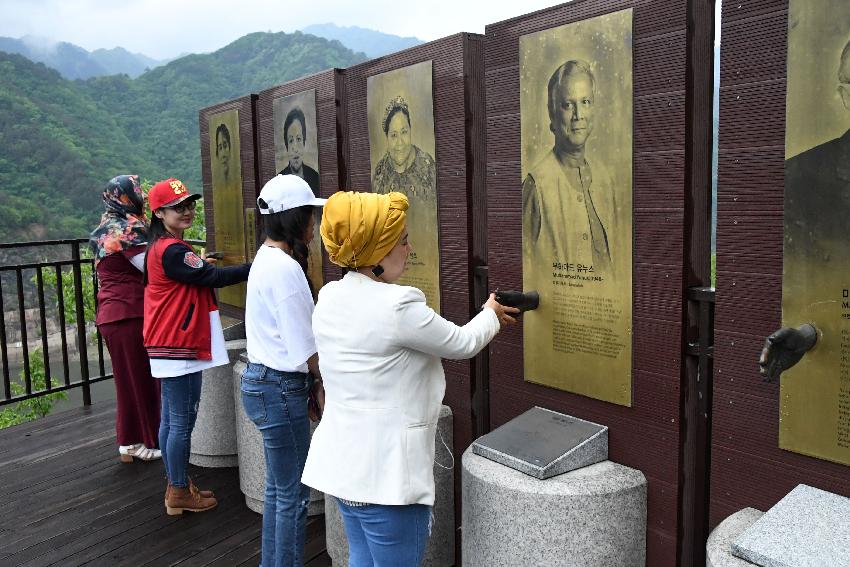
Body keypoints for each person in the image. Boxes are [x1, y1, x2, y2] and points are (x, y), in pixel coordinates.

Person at [301, 190, 518, 565]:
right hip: (387, 479)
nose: (408, 247)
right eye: (401, 240)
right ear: (378, 251)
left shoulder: (331, 297)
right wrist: (491, 313)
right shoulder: (397, 306)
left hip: (344, 470)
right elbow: (462, 342)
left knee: (361, 561)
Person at [142, 177, 250, 515]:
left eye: (189, 204)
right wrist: (262, 265)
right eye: (178, 207)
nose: (187, 211)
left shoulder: (163, 247)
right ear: (159, 212)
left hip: (168, 341)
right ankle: (177, 491)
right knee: (181, 421)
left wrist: (200, 263)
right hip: (179, 343)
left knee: (170, 420)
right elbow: (212, 278)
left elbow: (195, 275)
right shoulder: (174, 250)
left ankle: (175, 482)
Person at [240, 174, 327, 567]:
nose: (315, 224)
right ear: (296, 219)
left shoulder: (266, 258)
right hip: (280, 388)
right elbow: (304, 345)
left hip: (261, 383)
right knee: (293, 496)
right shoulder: (287, 269)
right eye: (311, 214)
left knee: (279, 489)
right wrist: (320, 382)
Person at [522, 59, 620, 273]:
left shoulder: (605, 181)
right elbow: (525, 266)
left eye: (585, 102)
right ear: (552, 112)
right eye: (568, 105)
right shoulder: (537, 185)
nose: (578, 115)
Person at [89, 174, 161, 463]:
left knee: (127, 380)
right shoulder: (129, 229)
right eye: (137, 192)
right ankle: (145, 441)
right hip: (131, 311)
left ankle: (129, 441)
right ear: (126, 197)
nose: (140, 196)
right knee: (144, 378)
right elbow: (152, 268)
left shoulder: (102, 229)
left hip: (111, 312)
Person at [372, 95, 436, 200]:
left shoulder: (427, 167)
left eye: (404, 132)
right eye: (393, 135)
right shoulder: (380, 173)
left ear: (410, 130)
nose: (400, 142)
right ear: (387, 137)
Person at [277, 107, 320, 195]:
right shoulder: (279, 181)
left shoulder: (315, 177)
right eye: (291, 141)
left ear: (304, 142)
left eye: (299, 139)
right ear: (287, 146)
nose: (295, 149)